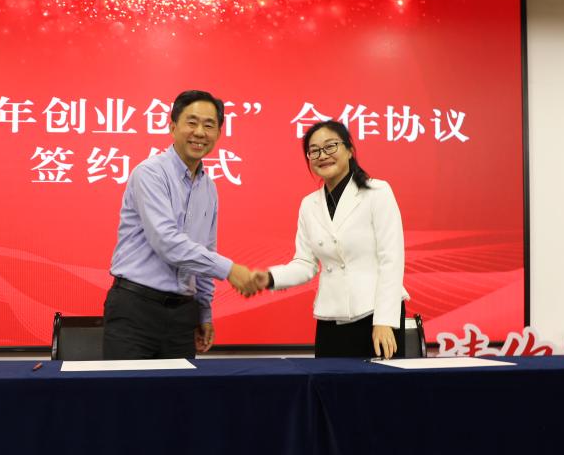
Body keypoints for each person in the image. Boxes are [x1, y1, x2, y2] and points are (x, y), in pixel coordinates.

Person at [103, 89, 257, 359]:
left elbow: (206, 250)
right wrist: (230, 270)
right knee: (129, 387)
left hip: (183, 316)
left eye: (209, 125)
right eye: (192, 122)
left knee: (179, 388)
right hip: (135, 310)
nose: (199, 132)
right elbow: (167, 242)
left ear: (218, 133)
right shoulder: (150, 173)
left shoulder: (209, 188)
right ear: (172, 126)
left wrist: (204, 311)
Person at [253, 120, 409, 358]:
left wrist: (384, 320)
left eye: (330, 146)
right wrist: (269, 278)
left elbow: (392, 259)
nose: (322, 155)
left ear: (349, 150)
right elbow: (305, 264)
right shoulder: (309, 204)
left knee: (379, 382)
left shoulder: (377, 192)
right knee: (329, 381)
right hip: (331, 317)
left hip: (376, 316)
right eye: (314, 150)